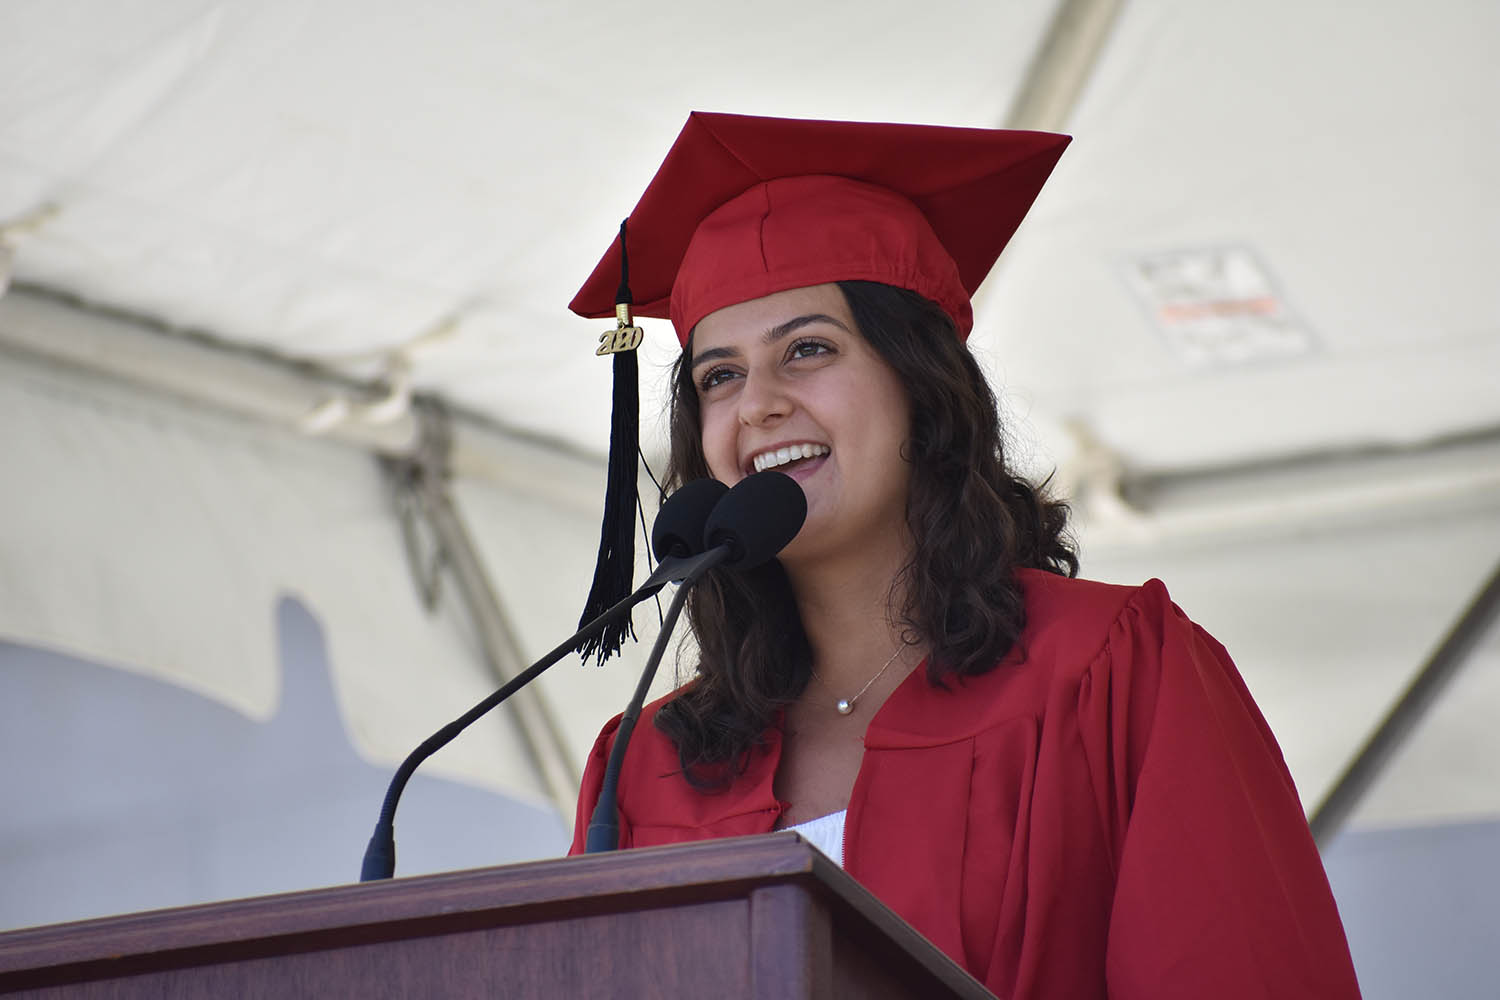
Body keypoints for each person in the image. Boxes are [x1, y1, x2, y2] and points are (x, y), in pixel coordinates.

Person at [565, 112, 1362, 999]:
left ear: (923, 386)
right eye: (719, 375)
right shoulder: (646, 765)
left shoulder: (1109, 671)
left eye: (808, 350)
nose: (758, 404)